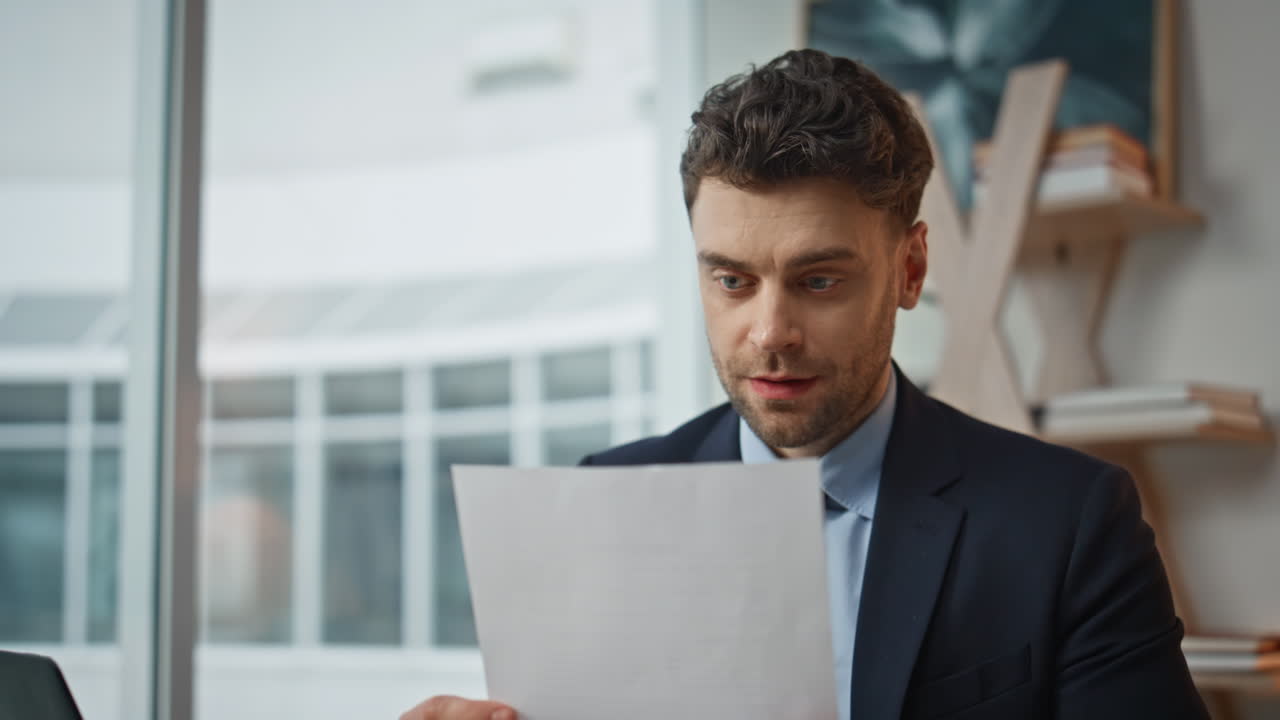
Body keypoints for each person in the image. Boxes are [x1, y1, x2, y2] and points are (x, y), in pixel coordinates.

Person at [402, 49, 1209, 720]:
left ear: (910, 268)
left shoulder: (1067, 524)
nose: (769, 333)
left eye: (818, 281)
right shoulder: (607, 501)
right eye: (731, 280)